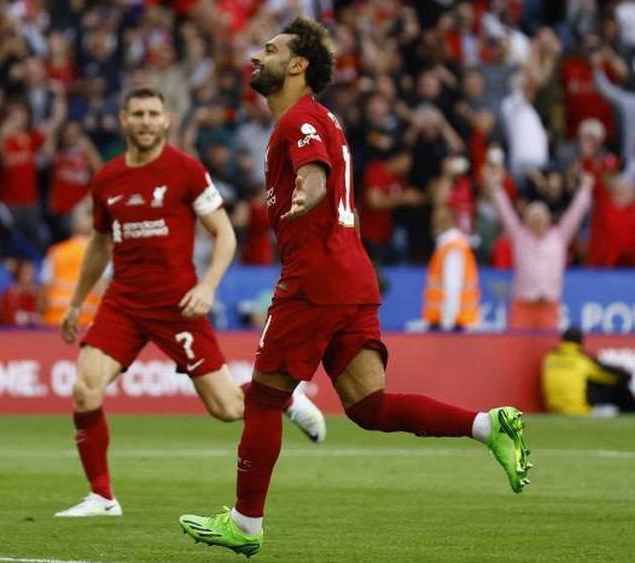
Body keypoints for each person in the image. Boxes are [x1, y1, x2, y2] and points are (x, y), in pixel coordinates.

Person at [179, 19, 531, 557]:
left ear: (297, 66)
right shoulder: (325, 119)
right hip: (349, 273)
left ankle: (246, 525)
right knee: (368, 406)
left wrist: (308, 193)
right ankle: (489, 425)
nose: (257, 57)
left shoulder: (299, 119)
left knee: (267, 398)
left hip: (316, 277)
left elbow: (316, 174)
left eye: (270, 50)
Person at [55, 86, 327, 519]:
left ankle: (283, 399)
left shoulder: (186, 170)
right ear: (124, 120)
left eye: (153, 114)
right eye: (138, 114)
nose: (146, 121)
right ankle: (103, 497)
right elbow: (100, 244)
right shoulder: (107, 178)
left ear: (166, 122)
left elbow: (225, 233)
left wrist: (208, 287)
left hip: (176, 303)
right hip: (123, 302)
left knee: (227, 409)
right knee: (85, 389)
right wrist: (75, 303)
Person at [490, 168, 593, 331]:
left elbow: (576, 213)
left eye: (540, 218)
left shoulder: (559, 237)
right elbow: (505, 212)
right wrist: (496, 187)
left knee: (547, 348)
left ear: (548, 220)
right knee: (514, 348)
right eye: (533, 218)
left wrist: (585, 189)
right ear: (526, 220)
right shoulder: (519, 237)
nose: (537, 222)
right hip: (522, 306)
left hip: (549, 306)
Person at [541, 327, 635, 416]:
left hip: (553, 410)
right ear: (581, 341)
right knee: (618, 385)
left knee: (585, 380)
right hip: (578, 411)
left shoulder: (549, 359)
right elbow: (616, 376)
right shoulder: (583, 361)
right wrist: (625, 374)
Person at [422, 206, 479, 331]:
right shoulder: (448, 245)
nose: (434, 221)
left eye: (438, 218)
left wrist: (447, 324)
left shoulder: (453, 247)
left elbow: (453, 287)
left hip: (452, 325)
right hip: (453, 322)